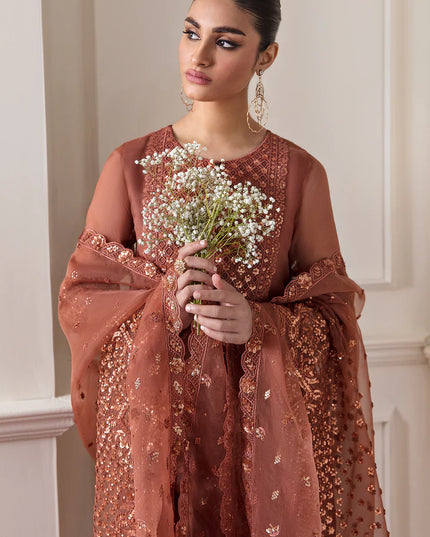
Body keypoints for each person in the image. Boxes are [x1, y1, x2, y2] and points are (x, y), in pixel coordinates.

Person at [58, 0, 389, 535]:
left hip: (262, 447)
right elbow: (82, 298)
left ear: (266, 57)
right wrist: (164, 305)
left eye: (227, 42)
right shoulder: (131, 165)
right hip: (164, 440)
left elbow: (335, 318)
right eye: (192, 34)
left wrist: (259, 322)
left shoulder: (299, 173)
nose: (200, 55)